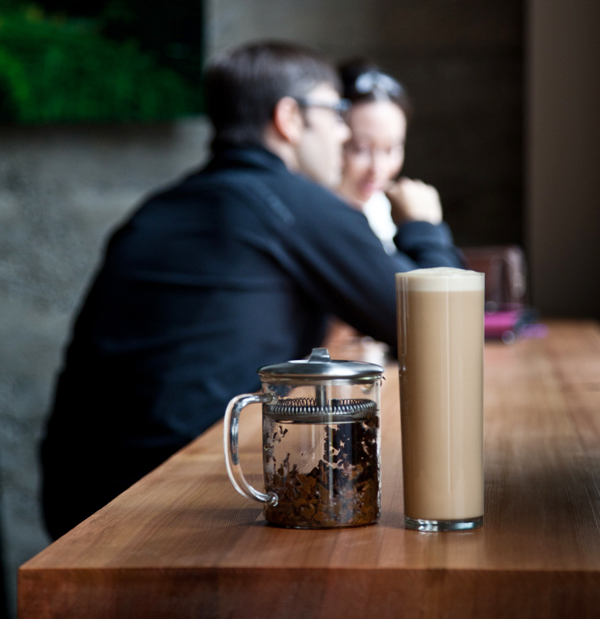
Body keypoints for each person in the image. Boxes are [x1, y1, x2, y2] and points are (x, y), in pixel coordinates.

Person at [41, 41, 463, 539]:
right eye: (336, 113)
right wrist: (424, 227)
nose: (344, 131)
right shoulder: (296, 205)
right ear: (289, 118)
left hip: (79, 491)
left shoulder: (158, 208)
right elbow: (443, 330)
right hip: (179, 498)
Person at [337, 60, 443, 254]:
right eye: (360, 149)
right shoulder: (315, 217)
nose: (378, 169)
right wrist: (423, 229)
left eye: (391, 149)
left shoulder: (384, 208)